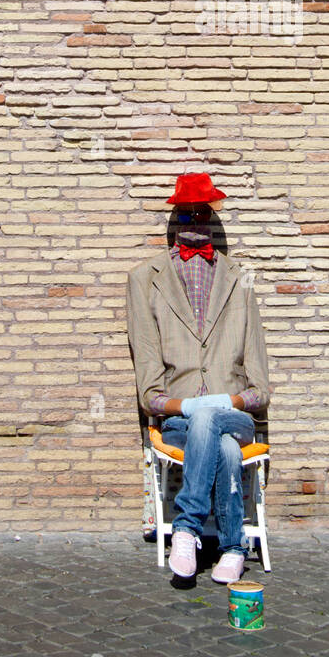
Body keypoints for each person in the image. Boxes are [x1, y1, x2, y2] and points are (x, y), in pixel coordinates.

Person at [125, 173, 270, 585]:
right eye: (185, 212)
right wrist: (189, 406)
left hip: (236, 416)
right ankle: (232, 548)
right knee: (220, 445)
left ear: (210, 217)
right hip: (179, 422)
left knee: (214, 421)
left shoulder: (239, 279)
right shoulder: (144, 281)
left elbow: (260, 388)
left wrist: (226, 403)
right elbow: (149, 392)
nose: (193, 220)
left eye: (201, 212)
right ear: (174, 218)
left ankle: (186, 529)